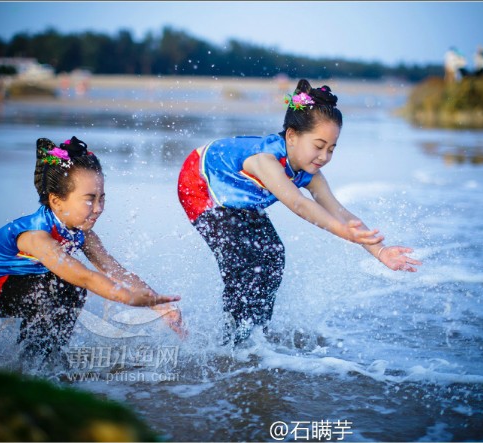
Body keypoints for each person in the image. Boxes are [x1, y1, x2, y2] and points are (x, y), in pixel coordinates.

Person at [177, 79, 422, 345]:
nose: (325, 156)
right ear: (292, 136)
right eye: (318, 146)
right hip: (201, 185)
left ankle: (257, 333)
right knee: (245, 260)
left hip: (241, 197)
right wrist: (342, 233)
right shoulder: (266, 160)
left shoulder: (310, 172)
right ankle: (233, 340)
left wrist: (380, 251)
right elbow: (298, 203)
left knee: (273, 255)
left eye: (331, 149)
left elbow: (340, 212)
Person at [0, 136, 185, 368]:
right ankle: (32, 365)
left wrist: (158, 304)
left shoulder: (82, 232)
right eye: (89, 200)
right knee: (56, 289)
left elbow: (115, 270)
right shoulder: (37, 237)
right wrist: (130, 299)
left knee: (67, 289)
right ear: (56, 201)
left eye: (101, 198)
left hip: (16, 277)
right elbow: (84, 276)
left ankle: (51, 354)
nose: (98, 209)